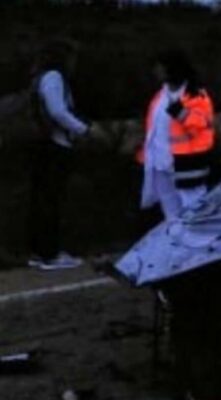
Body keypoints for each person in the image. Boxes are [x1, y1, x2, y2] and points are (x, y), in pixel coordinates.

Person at [26, 39, 105, 270]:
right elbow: (58, 111)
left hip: (43, 145)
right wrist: (84, 130)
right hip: (55, 145)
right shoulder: (54, 77)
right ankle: (50, 253)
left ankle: (40, 251)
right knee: (51, 200)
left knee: (41, 199)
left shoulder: (38, 77)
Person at [138, 49, 215, 221]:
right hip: (160, 165)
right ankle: (179, 243)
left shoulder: (197, 95)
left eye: (160, 67)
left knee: (194, 211)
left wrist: (180, 112)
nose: (156, 71)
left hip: (186, 166)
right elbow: (154, 129)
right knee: (171, 214)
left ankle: (198, 246)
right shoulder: (160, 95)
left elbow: (202, 125)